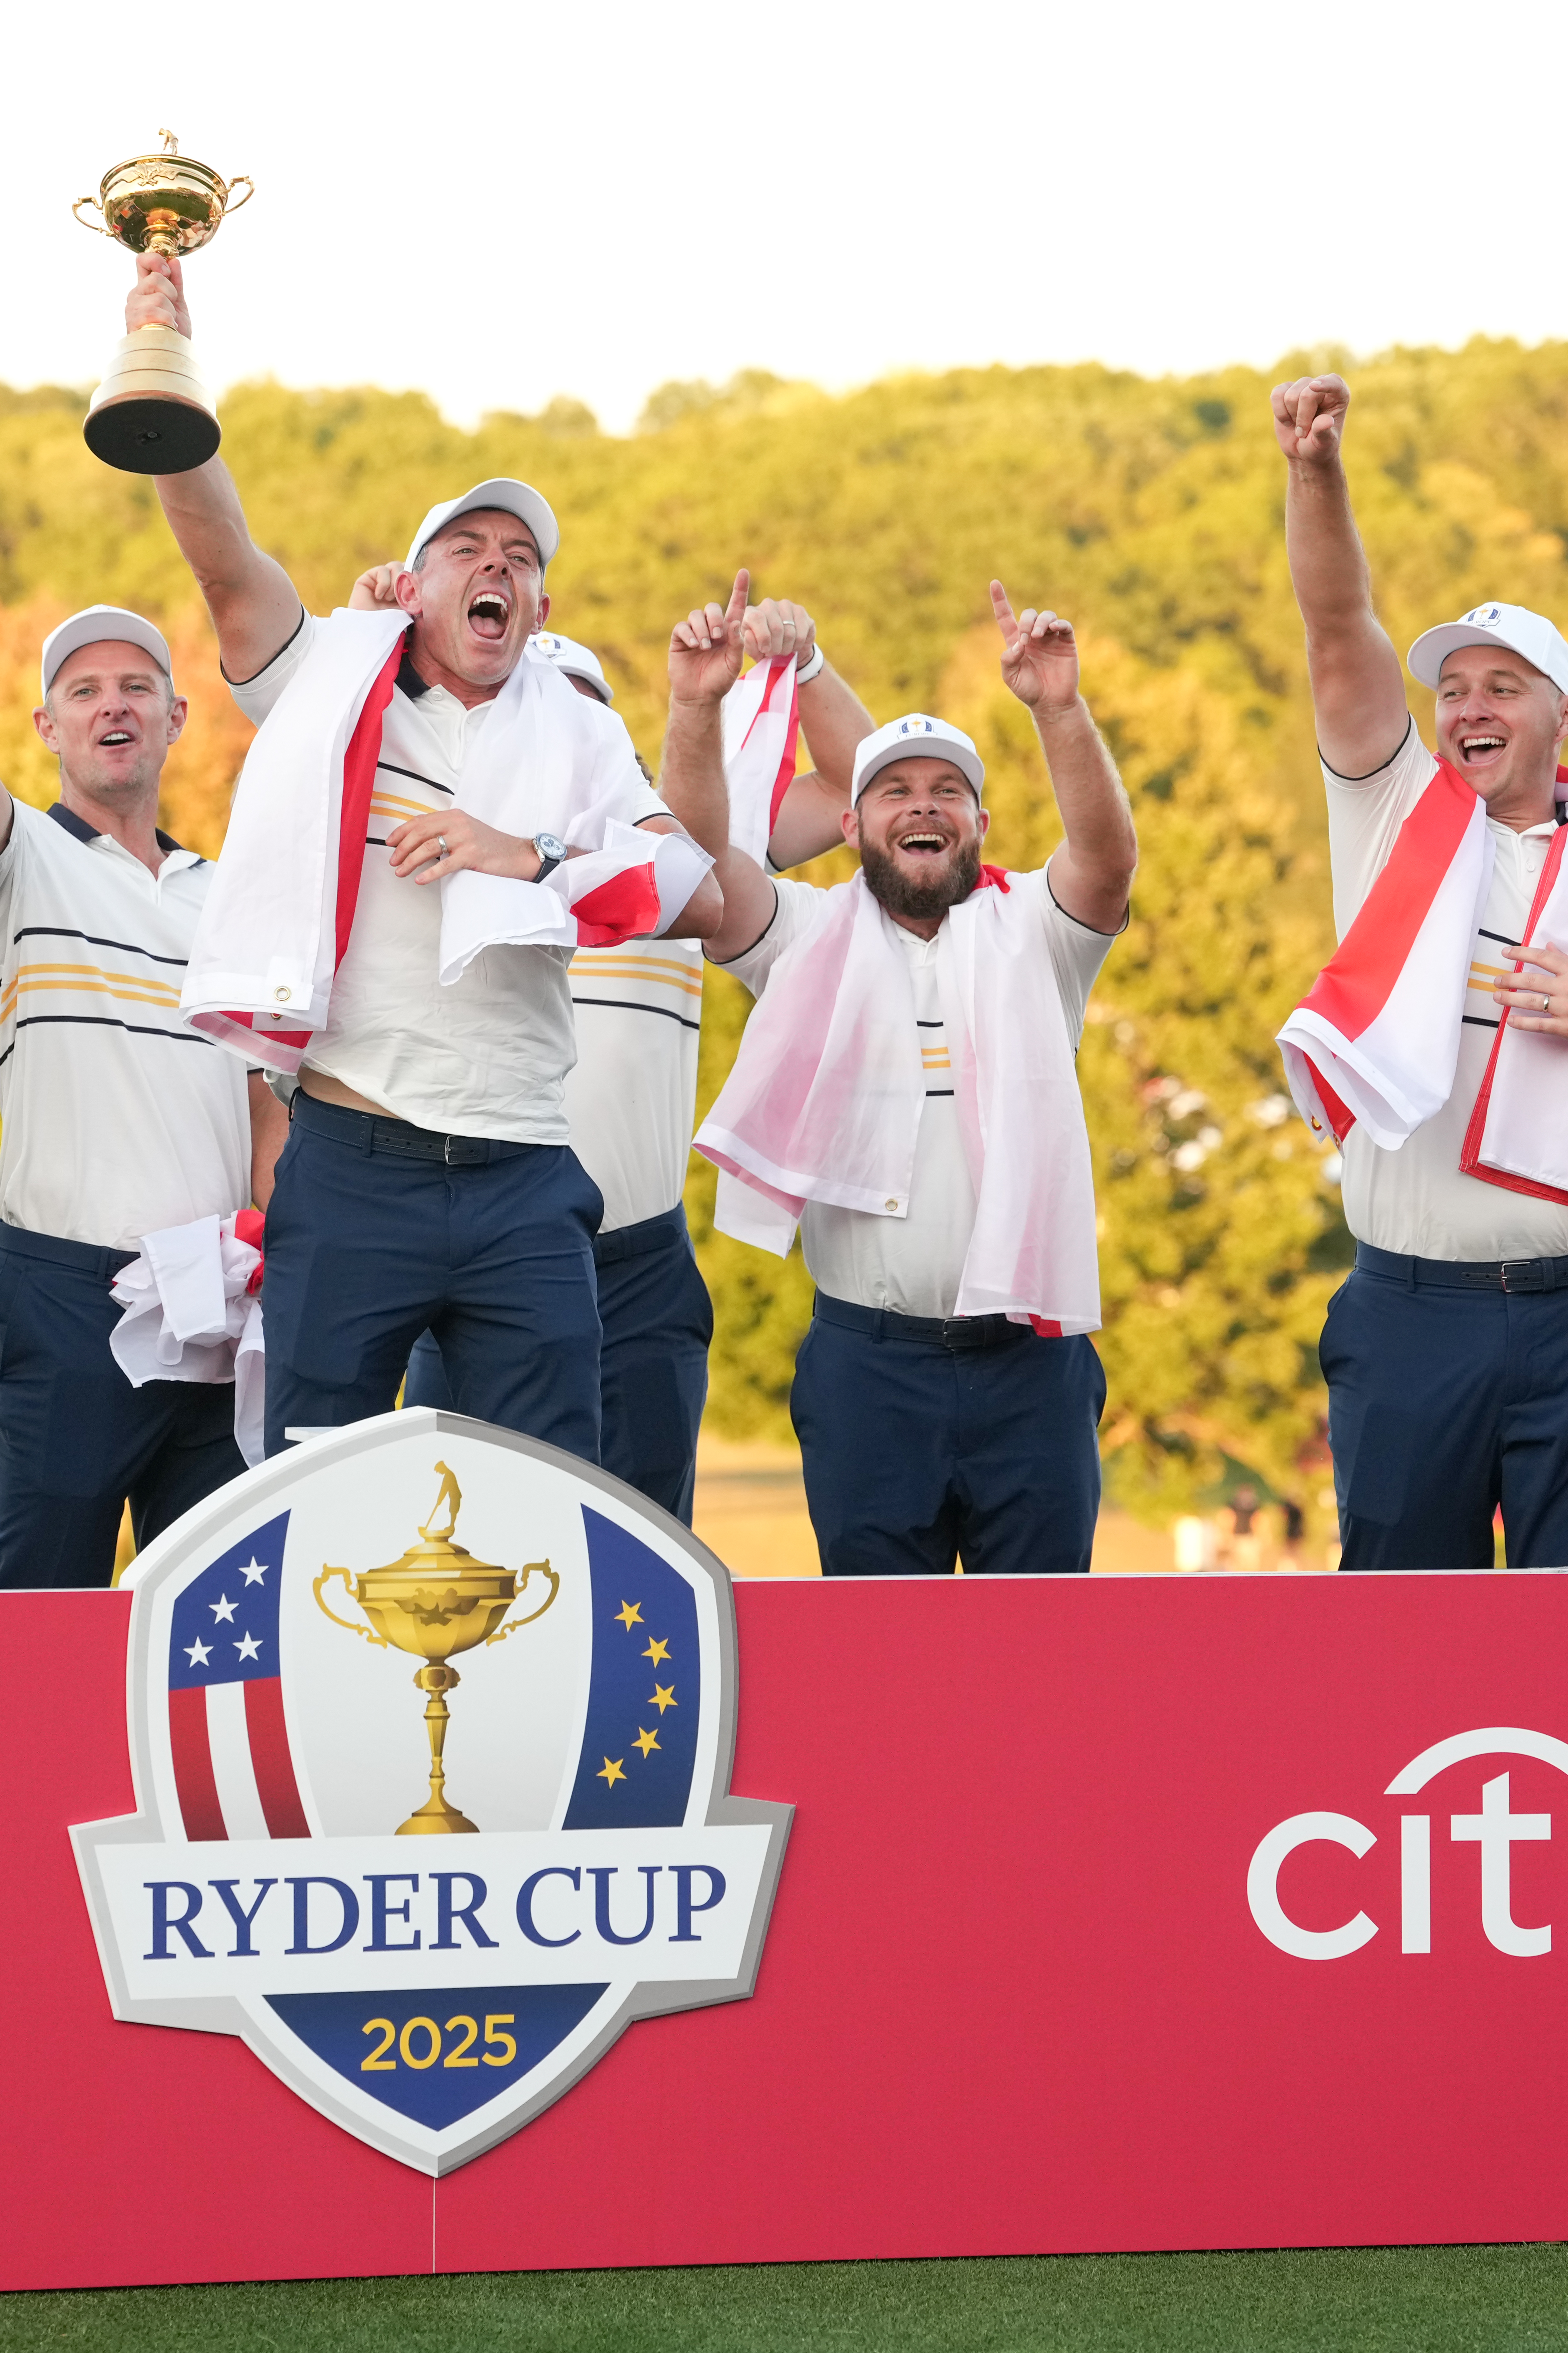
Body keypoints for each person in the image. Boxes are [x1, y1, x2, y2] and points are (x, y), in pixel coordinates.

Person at [125, 255, 722, 1461]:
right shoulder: (338, 688)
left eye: (521, 557)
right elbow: (221, 556)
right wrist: (164, 377)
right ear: (414, 587)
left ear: (541, 611)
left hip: (523, 1176)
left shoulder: (582, 729)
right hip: (354, 1162)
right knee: (311, 1486)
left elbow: (684, 885)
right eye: (467, 548)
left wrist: (527, 854)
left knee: (546, 1501)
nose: (497, 565)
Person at [1270, 373, 1568, 1570]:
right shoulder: (1391, 823)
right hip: (1412, 1311)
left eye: (1500, 687)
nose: (1466, 708)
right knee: (1392, 1644)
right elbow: (1334, 632)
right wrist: (1312, 471)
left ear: (1561, 714)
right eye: (1451, 690)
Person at [678, 582, 1138, 1575]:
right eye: (894, 790)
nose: (921, 806)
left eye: (945, 791)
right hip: (866, 1369)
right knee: (877, 1667)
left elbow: (1104, 862)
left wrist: (1057, 709)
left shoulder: (1034, 932)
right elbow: (702, 865)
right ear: (852, 824)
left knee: (1041, 1659)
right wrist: (697, 708)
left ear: (978, 822)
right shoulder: (799, 937)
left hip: (1029, 1366)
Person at [385, 596, 873, 1518]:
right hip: (475, 1246)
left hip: (637, 1263)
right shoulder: (443, 853)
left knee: (643, 1561)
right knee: (470, 1540)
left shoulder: (684, 851)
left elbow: (863, 799)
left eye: (579, 713)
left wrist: (805, 668)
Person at [0, 537, 284, 1586]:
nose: (110, 705)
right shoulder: (17, 859)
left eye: (135, 687)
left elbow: (265, 1105)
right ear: (47, 727)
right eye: (82, 691)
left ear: (175, 719)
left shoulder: (227, 895)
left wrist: (277, 1257)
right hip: (69, 1292)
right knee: (33, 1609)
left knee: (209, 1621)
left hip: (218, 1287)